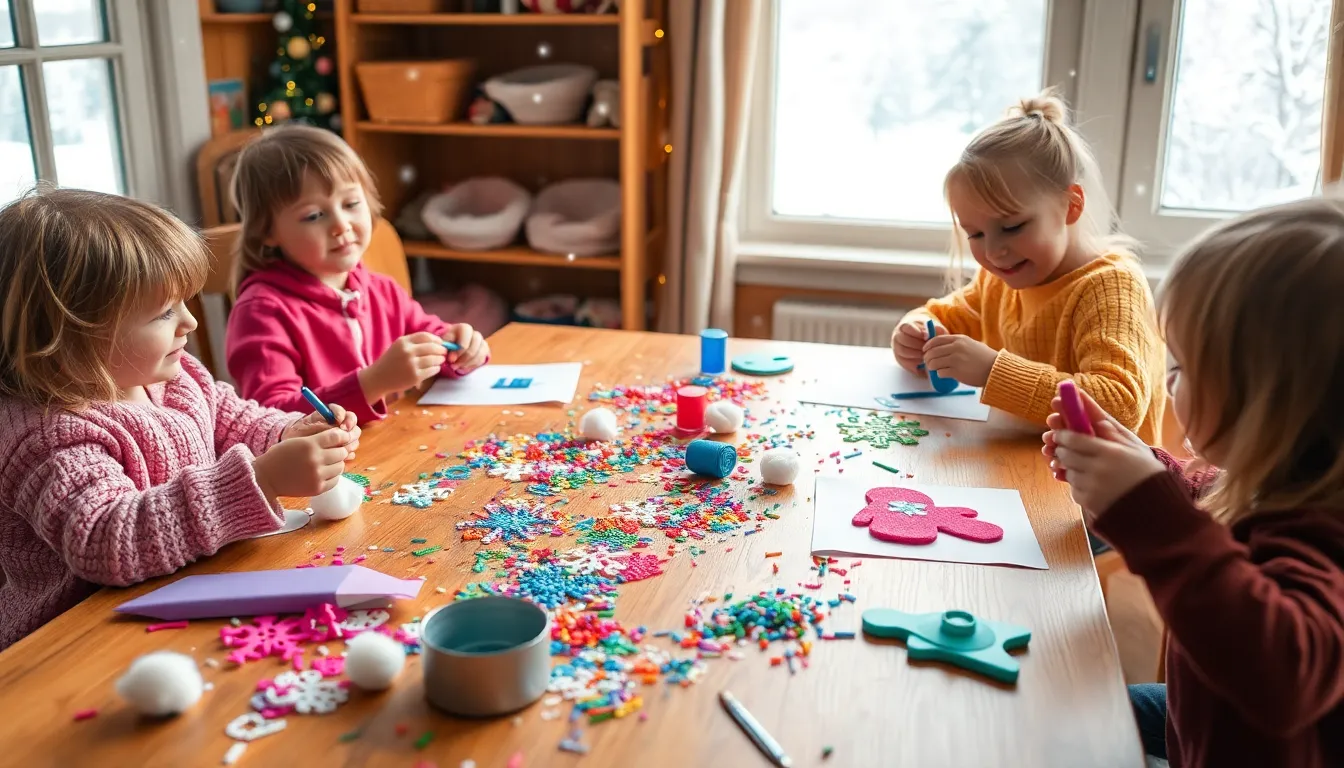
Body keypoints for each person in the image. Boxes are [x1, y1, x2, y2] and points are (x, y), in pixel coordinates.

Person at [1045, 196, 1344, 767]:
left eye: (1179, 367)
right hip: (1198, 721)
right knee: (1060, 708)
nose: (1169, 382)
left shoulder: (1325, 533)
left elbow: (1282, 672)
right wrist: (1151, 471)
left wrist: (1151, 514)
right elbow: (1214, 502)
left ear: (1264, 399)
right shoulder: (1275, 480)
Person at [0, 188, 360, 650]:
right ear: (72, 337)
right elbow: (108, 539)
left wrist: (292, 432)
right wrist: (263, 479)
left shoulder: (171, 374)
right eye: (164, 312)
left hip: (181, 596)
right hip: (79, 642)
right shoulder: (50, 435)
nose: (189, 323)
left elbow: (232, 420)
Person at [892, 89, 1165, 443]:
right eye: (974, 233)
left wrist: (993, 370)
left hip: (1108, 491)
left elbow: (1121, 404)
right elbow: (943, 316)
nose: (993, 252)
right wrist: (914, 333)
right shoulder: (1000, 278)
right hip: (1028, 467)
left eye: (1012, 227)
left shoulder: (1111, 286)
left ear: (1071, 205)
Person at [227, 125, 489, 423]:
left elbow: (432, 340)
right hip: (323, 466)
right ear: (267, 232)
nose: (341, 224)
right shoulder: (262, 311)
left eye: (351, 203)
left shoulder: (381, 290)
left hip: (389, 448)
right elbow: (271, 418)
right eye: (314, 215)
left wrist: (458, 347)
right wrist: (374, 382)